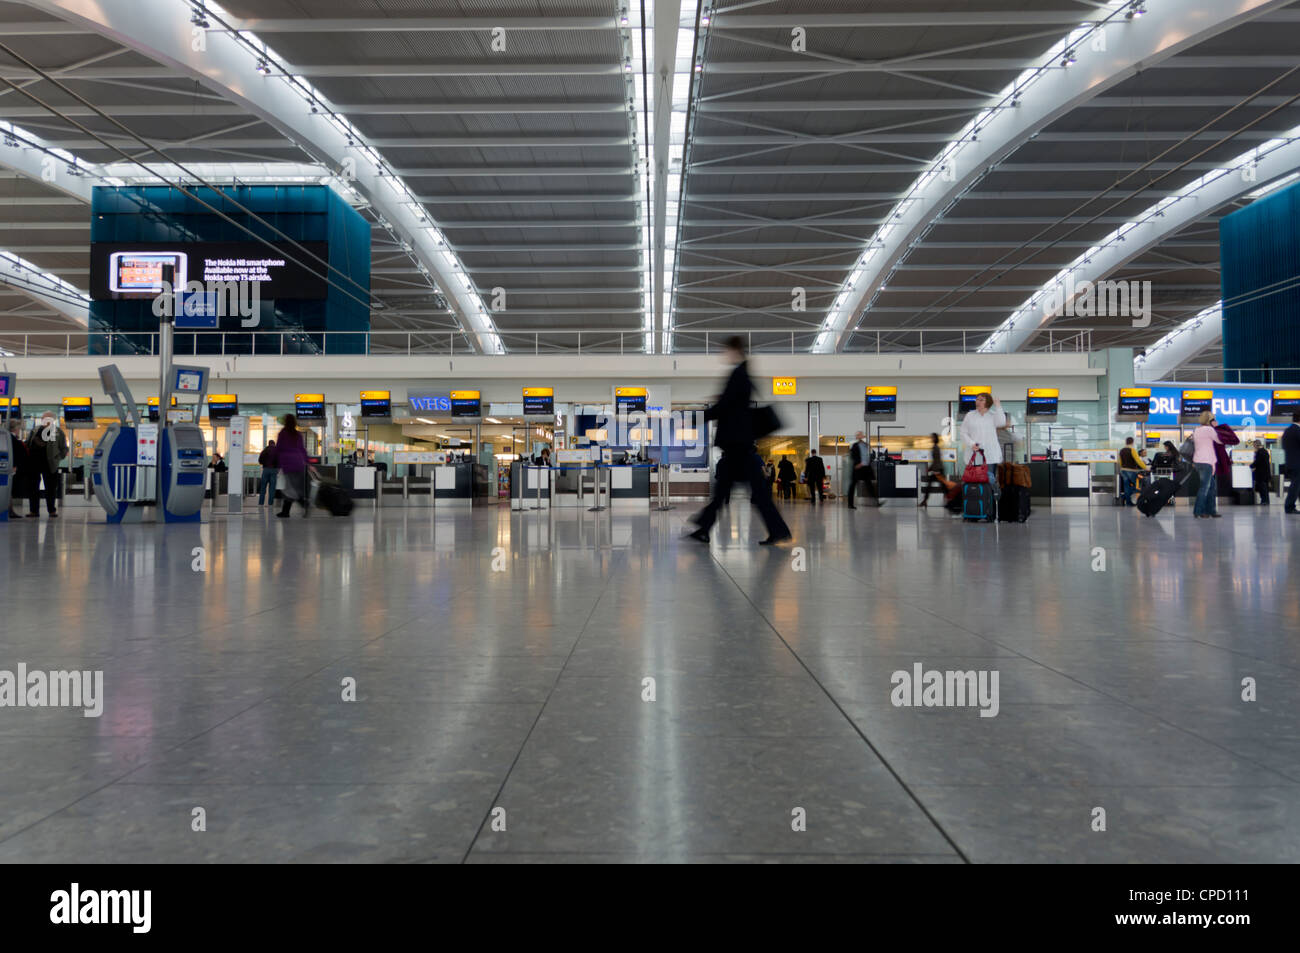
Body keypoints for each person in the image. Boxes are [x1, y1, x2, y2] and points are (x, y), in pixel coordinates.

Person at [686, 336, 791, 545]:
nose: (724, 355)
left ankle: (705, 527)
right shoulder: (743, 373)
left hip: (737, 444)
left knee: (744, 491)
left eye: (726, 350)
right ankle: (705, 527)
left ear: (734, 350)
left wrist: (695, 418)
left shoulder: (738, 374)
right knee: (729, 489)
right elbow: (731, 405)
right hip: (739, 444)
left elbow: (725, 407)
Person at [959, 392, 1007, 486]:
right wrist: (971, 443)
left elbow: (1001, 423)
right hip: (973, 455)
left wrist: (998, 406)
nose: (978, 402)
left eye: (981, 400)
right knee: (973, 482)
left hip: (990, 455)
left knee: (989, 482)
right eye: (977, 399)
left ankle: (989, 500)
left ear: (988, 402)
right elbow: (963, 432)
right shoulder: (970, 415)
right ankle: (975, 499)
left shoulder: (993, 415)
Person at [26, 414, 67, 519]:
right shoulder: (35, 430)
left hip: (50, 464)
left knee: (51, 488)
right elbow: (27, 443)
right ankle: (33, 511)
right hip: (33, 463)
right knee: (33, 488)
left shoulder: (58, 432)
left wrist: (57, 458)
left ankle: (52, 510)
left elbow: (64, 448)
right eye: (44, 418)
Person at [275, 414, 311, 518]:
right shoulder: (298, 434)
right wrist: (307, 462)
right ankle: (286, 511)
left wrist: (277, 464)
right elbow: (302, 449)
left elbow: (278, 449)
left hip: (287, 464)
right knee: (293, 488)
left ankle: (302, 504)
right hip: (299, 463)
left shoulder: (283, 433)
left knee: (289, 489)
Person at [1191, 410, 1223, 519]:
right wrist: (1217, 427)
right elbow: (1220, 440)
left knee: (1211, 487)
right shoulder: (1209, 430)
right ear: (1210, 420)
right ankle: (1198, 511)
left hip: (1198, 461)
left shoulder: (1197, 430)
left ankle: (1211, 511)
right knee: (1205, 488)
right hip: (1206, 462)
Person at [847, 431, 882, 508]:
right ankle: (850, 504)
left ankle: (876, 502)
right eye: (858, 435)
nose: (860, 436)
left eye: (861, 434)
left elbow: (867, 456)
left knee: (869, 485)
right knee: (852, 486)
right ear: (857, 437)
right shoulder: (855, 445)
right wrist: (857, 464)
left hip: (865, 469)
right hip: (858, 468)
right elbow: (852, 456)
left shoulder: (866, 445)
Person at [6, 419, 29, 518]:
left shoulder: (6, 437)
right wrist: (15, 466)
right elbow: (16, 453)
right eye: (19, 428)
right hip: (11, 467)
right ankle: (9, 510)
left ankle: (9, 510)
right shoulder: (12, 439)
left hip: (11, 466)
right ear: (16, 429)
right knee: (8, 490)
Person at [1118, 436, 1148, 506]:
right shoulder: (1132, 450)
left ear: (1126, 442)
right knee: (1138, 485)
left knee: (1126, 486)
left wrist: (1122, 468)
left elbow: (1120, 461)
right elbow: (1138, 460)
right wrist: (1145, 467)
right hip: (1131, 471)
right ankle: (1125, 496)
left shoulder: (1121, 450)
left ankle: (1128, 502)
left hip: (1123, 470)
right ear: (1132, 442)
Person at [919, 432, 945, 508]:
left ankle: (950, 501)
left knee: (943, 487)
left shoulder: (936, 448)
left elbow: (937, 460)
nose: (931, 439)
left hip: (938, 471)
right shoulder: (935, 447)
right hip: (937, 470)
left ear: (935, 438)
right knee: (930, 486)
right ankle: (924, 501)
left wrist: (931, 468)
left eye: (932, 437)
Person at [1283, 412, 1300, 514]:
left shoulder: (1287, 431)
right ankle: (1289, 506)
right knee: (1295, 485)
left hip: (1290, 462)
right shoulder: (1297, 431)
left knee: (1297, 484)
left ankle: (1290, 505)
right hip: (1297, 463)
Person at [257, 439, 279, 506]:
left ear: (268, 443)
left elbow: (260, 460)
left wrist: (265, 463)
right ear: (274, 444)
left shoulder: (265, 450)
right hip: (274, 470)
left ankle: (261, 503)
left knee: (263, 487)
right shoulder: (277, 451)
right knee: (272, 488)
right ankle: (270, 503)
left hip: (266, 470)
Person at [1250, 440, 1271, 506]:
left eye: (1254, 445)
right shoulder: (1265, 451)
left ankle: (1264, 501)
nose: (1253, 446)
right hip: (1266, 473)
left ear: (1256, 445)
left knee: (1262, 488)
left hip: (1261, 474)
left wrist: (1251, 465)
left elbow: (1257, 462)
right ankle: (1266, 501)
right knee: (1265, 488)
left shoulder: (1260, 452)